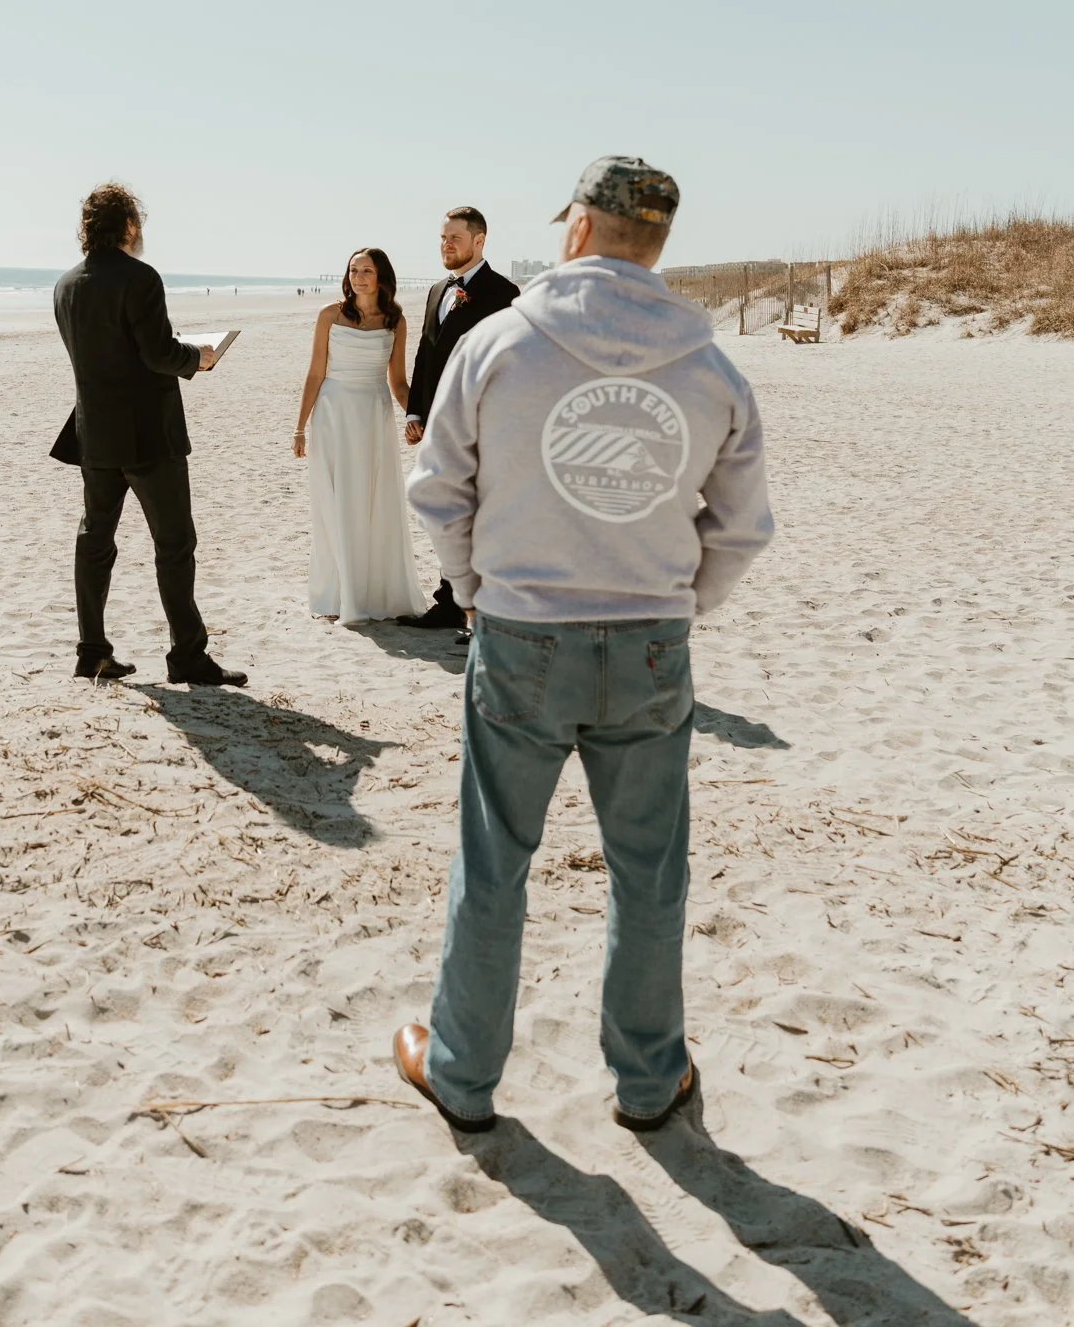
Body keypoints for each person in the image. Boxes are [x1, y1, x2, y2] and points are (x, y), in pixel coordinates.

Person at [393, 156, 773, 1134]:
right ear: (654, 243)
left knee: (494, 859)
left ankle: (463, 1072)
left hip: (522, 631)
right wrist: (680, 603)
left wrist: (474, 590)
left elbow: (437, 489)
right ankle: (649, 1078)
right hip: (648, 638)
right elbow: (740, 528)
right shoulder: (709, 364)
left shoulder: (501, 343)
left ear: (577, 231)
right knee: (648, 867)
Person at [50, 182, 246, 688]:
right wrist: (197, 357)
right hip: (148, 434)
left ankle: (92, 651)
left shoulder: (66, 285)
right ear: (130, 226)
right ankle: (187, 656)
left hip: (94, 433)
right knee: (175, 543)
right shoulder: (140, 277)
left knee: (95, 541)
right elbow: (158, 353)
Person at [399, 207, 518, 638]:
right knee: (447, 514)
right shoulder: (436, 291)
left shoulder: (504, 293)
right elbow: (425, 355)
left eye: (455, 238)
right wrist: (415, 412)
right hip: (437, 425)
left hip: (482, 427)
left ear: (479, 241)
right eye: (442, 238)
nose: (446, 245)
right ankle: (449, 604)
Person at [293, 249, 428, 624]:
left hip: (373, 413)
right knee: (335, 501)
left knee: (372, 500)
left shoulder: (395, 320)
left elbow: (398, 382)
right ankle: (339, 592)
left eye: (367, 270)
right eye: (353, 270)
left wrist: (414, 414)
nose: (359, 276)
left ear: (381, 277)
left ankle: (370, 590)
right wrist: (300, 426)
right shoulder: (330, 315)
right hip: (333, 413)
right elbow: (315, 374)